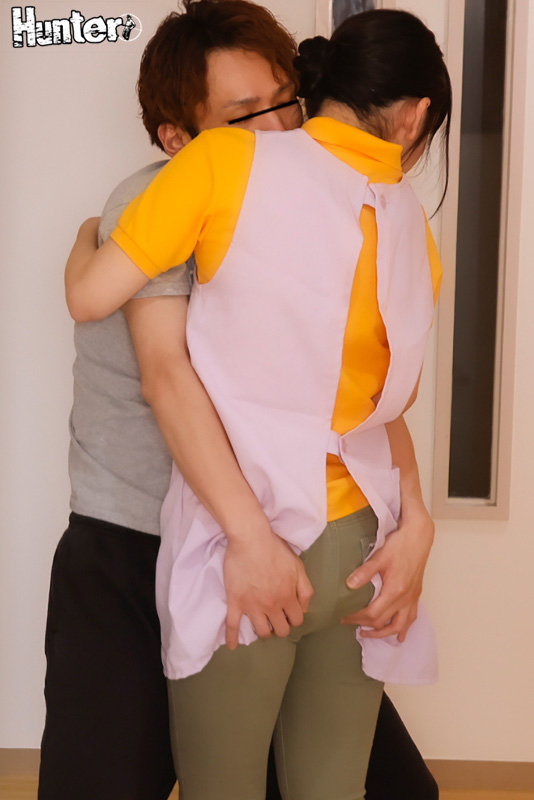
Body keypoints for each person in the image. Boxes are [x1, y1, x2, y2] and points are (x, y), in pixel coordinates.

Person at [64, 8, 451, 800]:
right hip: (326, 540)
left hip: (249, 536)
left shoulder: (228, 167)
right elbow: (379, 405)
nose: (273, 126)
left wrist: (83, 241)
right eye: (247, 114)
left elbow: (92, 300)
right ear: (415, 117)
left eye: (284, 101)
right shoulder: (408, 221)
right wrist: (410, 519)